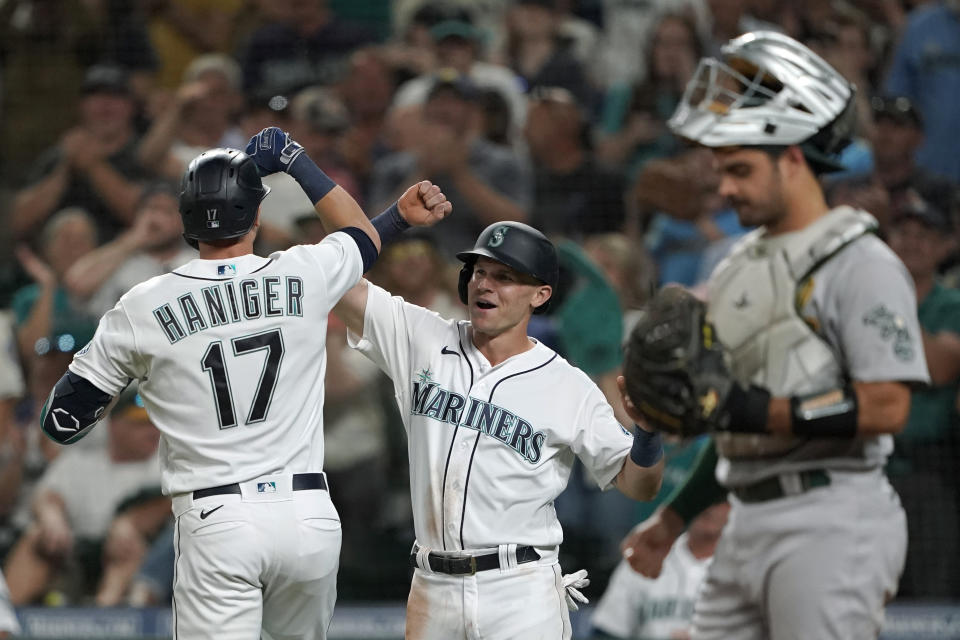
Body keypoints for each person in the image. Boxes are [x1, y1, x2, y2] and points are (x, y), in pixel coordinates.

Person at [37, 127, 450, 638]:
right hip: (308, 517)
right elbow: (361, 236)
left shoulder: (142, 304)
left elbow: (62, 422)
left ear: (187, 219)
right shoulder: (301, 272)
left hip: (218, 517)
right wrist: (296, 160)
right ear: (256, 214)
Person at [621, 32, 929, 639]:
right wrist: (673, 519)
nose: (726, 188)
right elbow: (737, 419)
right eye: (721, 170)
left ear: (792, 160)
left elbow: (890, 405)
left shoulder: (859, 261)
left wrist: (759, 408)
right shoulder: (736, 264)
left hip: (831, 515)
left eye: (739, 170)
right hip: (745, 515)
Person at [333, 220, 665, 640]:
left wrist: (648, 434)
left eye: (505, 277)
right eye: (478, 271)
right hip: (432, 587)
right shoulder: (423, 338)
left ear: (540, 295)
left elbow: (639, 485)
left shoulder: (567, 386)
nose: (484, 284)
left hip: (520, 590)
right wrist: (393, 217)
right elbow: (333, 277)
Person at [590, 503, 730, 640]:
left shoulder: (745, 568)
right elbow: (606, 631)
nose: (711, 507)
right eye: (705, 497)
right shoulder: (645, 555)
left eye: (720, 501)